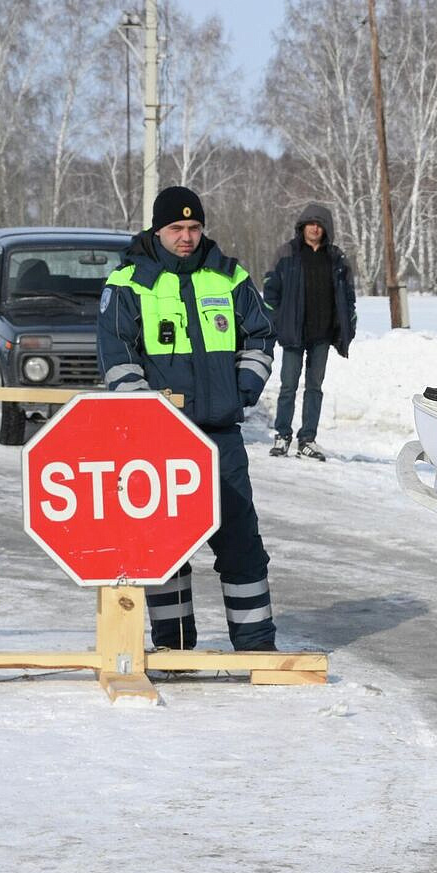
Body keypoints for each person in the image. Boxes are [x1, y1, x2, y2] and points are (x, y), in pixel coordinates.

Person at [96, 185, 278, 652]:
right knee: (165, 547)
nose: (187, 237)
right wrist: (149, 416)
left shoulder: (229, 276)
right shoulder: (129, 283)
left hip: (221, 437)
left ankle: (257, 647)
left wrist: (242, 390)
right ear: (158, 231)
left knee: (241, 544)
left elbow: (260, 336)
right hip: (160, 443)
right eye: (177, 228)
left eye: (194, 227)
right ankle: (175, 649)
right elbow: (118, 356)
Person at [262, 203, 357, 461]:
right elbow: (271, 292)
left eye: (319, 224)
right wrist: (275, 321)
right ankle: (282, 435)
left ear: (326, 229)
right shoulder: (286, 254)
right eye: (310, 224)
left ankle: (307, 439)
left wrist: (348, 325)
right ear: (302, 227)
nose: (315, 228)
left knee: (315, 387)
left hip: (322, 334)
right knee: (288, 386)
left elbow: (348, 297)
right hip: (293, 332)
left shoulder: (336, 259)